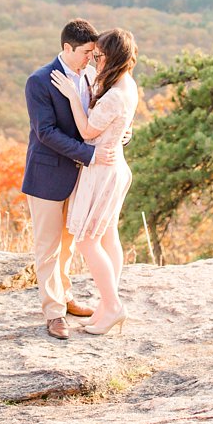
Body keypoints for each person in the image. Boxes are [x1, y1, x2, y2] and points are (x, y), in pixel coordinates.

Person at [49, 27, 138, 336]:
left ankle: (113, 306)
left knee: (87, 240)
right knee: (108, 236)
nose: (94, 60)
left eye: (98, 55)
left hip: (103, 171)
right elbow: (117, 126)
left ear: (111, 57)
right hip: (113, 167)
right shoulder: (126, 84)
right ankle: (105, 306)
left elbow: (87, 133)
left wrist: (74, 97)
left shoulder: (114, 94)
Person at [21, 19, 102, 340]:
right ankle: (53, 312)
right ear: (67, 48)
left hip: (82, 178)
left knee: (69, 244)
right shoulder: (39, 81)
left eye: (93, 53)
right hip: (47, 175)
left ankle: (66, 297)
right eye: (85, 52)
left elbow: (97, 118)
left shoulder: (92, 76)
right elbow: (46, 132)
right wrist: (90, 154)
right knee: (48, 247)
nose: (90, 59)